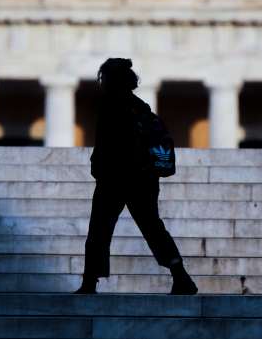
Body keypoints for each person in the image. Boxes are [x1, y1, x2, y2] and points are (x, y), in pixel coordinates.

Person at [74, 58, 198, 295]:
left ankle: (89, 283)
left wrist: (98, 169)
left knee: (99, 231)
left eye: (103, 78)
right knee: (153, 228)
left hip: (115, 177)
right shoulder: (140, 106)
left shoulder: (109, 103)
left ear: (109, 80)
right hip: (145, 178)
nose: (101, 82)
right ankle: (181, 277)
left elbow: (106, 142)